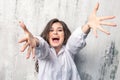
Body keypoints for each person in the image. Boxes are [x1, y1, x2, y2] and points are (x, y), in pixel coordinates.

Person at [18, 3, 116, 80]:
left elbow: (75, 40)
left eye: (60, 30)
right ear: (47, 36)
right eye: (51, 30)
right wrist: (35, 41)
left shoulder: (68, 51)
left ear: (64, 36)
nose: (55, 32)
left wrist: (88, 25)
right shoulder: (45, 54)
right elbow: (42, 45)